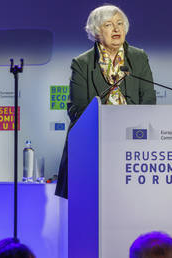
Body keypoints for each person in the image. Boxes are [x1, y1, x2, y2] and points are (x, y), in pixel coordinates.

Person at [55, 4, 156, 198]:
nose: (117, 29)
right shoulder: (82, 63)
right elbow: (77, 108)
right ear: (96, 31)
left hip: (132, 143)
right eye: (109, 25)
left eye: (120, 24)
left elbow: (149, 99)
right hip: (94, 143)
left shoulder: (139, 57)